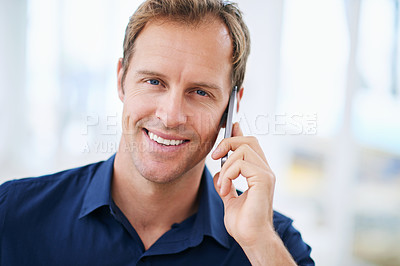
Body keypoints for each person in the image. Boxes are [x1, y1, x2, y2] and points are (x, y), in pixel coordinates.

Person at [0, 0, 314, 265]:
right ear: (121, 79)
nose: (171, 116)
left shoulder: (274, 243)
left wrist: (260, 245)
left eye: (200, 92)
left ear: (231, 108)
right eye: (154, 82)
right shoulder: (12, 213)